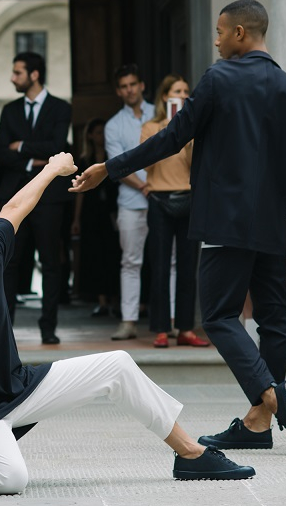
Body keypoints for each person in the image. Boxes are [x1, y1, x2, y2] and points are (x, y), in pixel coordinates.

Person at [0, 152, 254, 504]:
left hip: (19, 387)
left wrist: (52, 169)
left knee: (118, 365)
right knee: (10, 479)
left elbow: (13, 209)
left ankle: (189, 454)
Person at [72, 0, 286, 459]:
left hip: (225, 219)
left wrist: (110, 166)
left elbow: (171, 137)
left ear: (242, 33)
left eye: (222, 31)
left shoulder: (219, 79)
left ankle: (272, 398)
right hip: (275, 224)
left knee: (220, 317)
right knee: (274, 320)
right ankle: (258, 422)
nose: (218, 39)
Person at [0, 51, 72, 345]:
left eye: (18, 72)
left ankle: (48, 328)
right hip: (15, 196)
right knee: (8, 263)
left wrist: (22, 146)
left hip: (50, 198)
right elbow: (0, 152)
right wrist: (34, 160)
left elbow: (58, 146)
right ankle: (4, 330)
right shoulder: (9, 110)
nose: (13, 78)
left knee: (50, 262)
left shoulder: (61, 108)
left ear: (34, 74)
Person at [140, 76, 206, 349]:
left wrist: (187, 136)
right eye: (176, 91)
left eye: (185, 91)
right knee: (159, 266)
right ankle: (160, 329)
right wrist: (169, 129)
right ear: (165, 97)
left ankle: (185, 328)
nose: (181, 95)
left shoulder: (194, 127)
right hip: (159, 201)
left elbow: (195, 164)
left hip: (188, 200)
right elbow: (147, 161)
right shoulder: (151, 127)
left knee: (188, 267)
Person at [103, 63, 152, 340]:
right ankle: (129, 321)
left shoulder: (161, 113)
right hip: (132, 201)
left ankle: (169, 321)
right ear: (118, 91)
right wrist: (146, 186)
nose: (129, 90)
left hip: (164, 198)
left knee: (169, 262)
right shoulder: (113, 125)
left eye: (132, 84)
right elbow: (116, 166)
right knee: (131, 261)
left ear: (142, 85)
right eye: (123, 86)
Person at [69, 118, 119, 317]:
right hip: (92, 212)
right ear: (90, 135)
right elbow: (80, 192)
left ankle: (116, 299)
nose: (101, 136)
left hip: (111, 210)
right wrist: (76, 219)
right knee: (95, 255)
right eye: (97, 132)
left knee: (113, 253)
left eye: (103, 132)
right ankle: (101, 301)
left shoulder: (113, 156)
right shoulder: (84, 160)